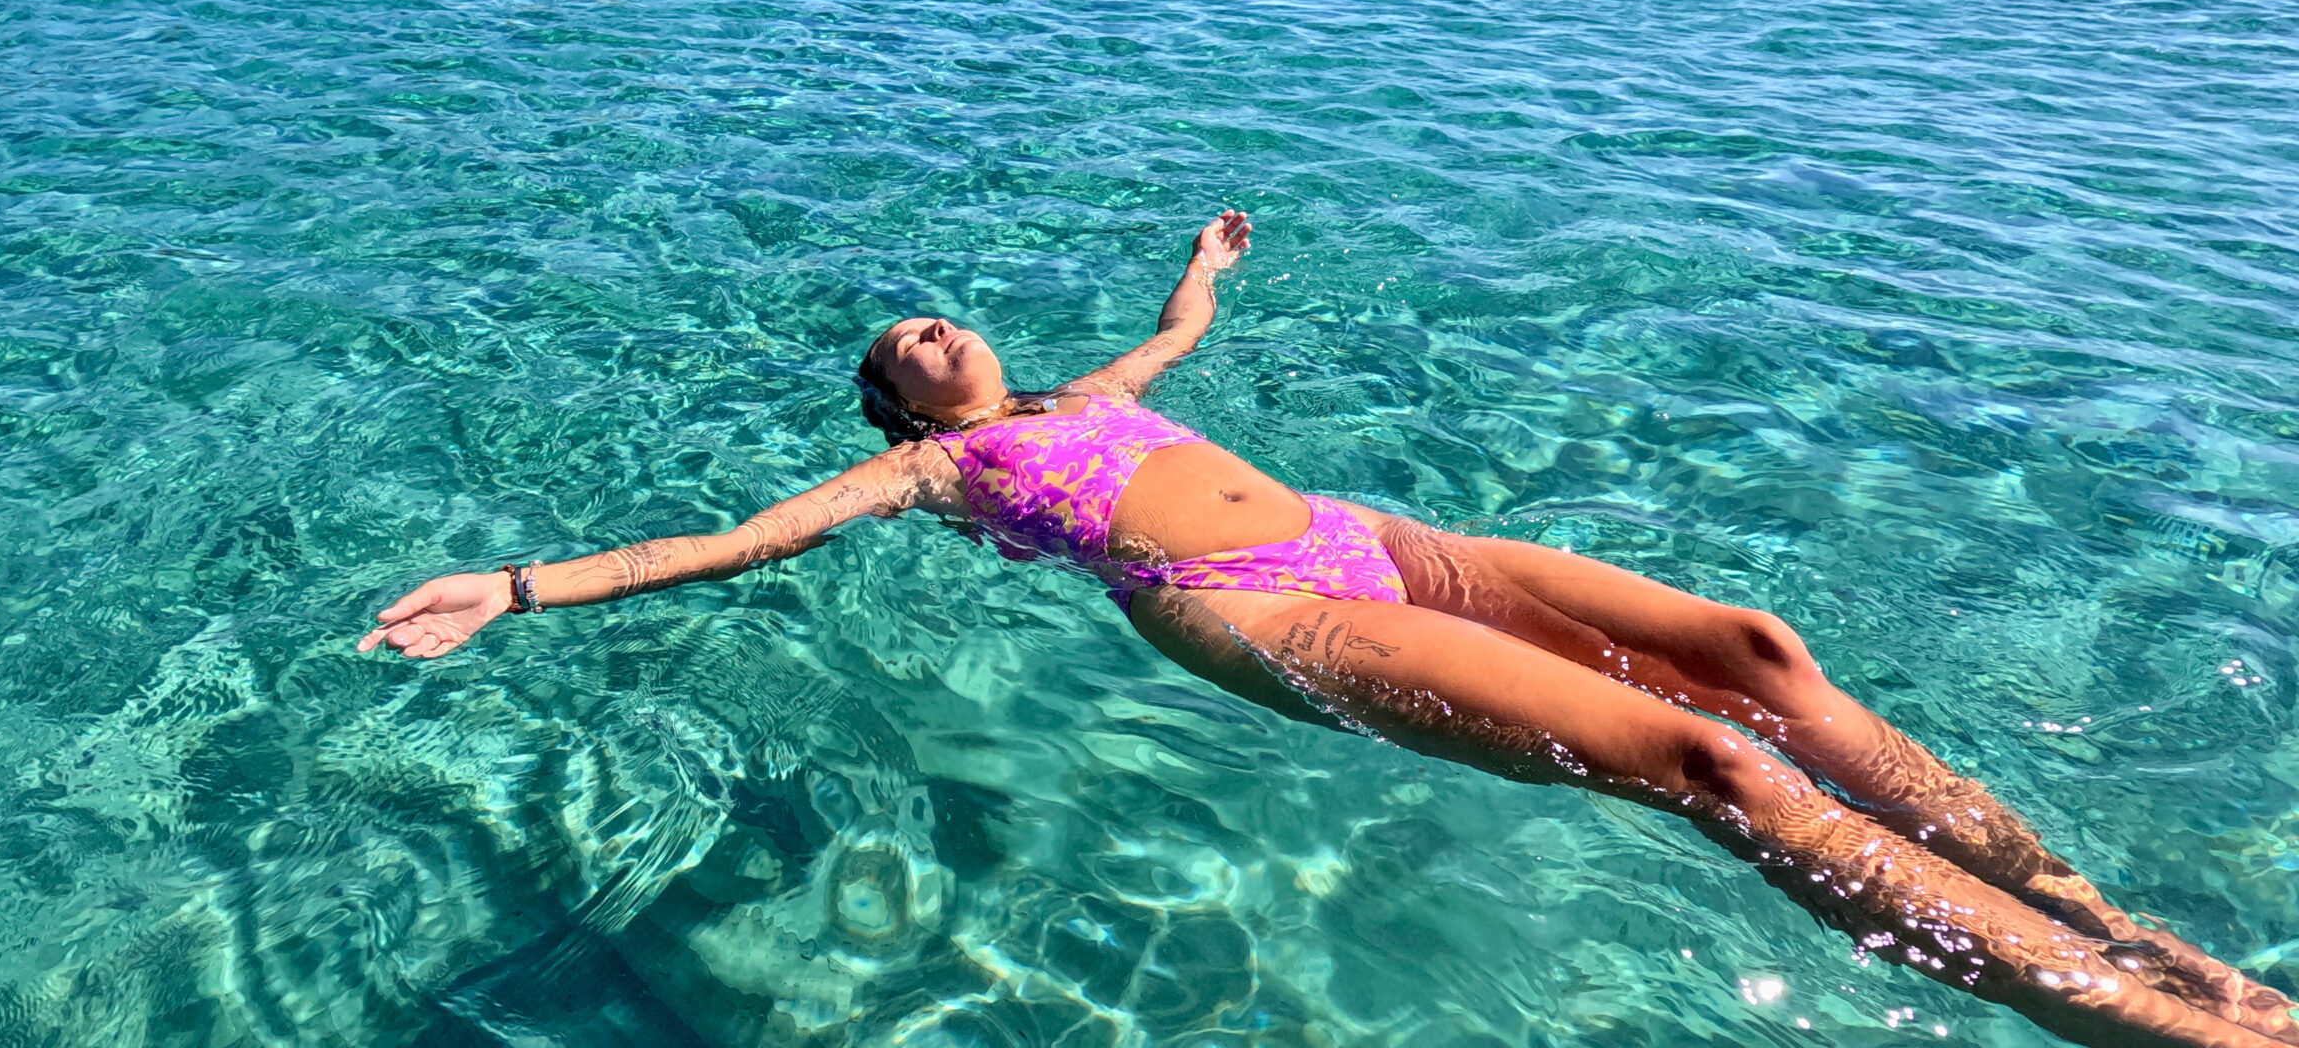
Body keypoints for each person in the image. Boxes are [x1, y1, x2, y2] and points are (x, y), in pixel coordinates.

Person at [359, 212, 2293, 1048]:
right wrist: (522, 585)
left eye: (941, 312)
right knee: (1703, 762)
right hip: (1252, 612)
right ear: (899, 410)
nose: (931, 325)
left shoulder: (1084, 397)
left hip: (1371, 538)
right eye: (903, 347)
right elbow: (727, 540)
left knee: (1755, 648)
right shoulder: (928, 478)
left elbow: (1186, 344)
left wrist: (1199, 275)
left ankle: (2092, 909)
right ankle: (2106, 1010)